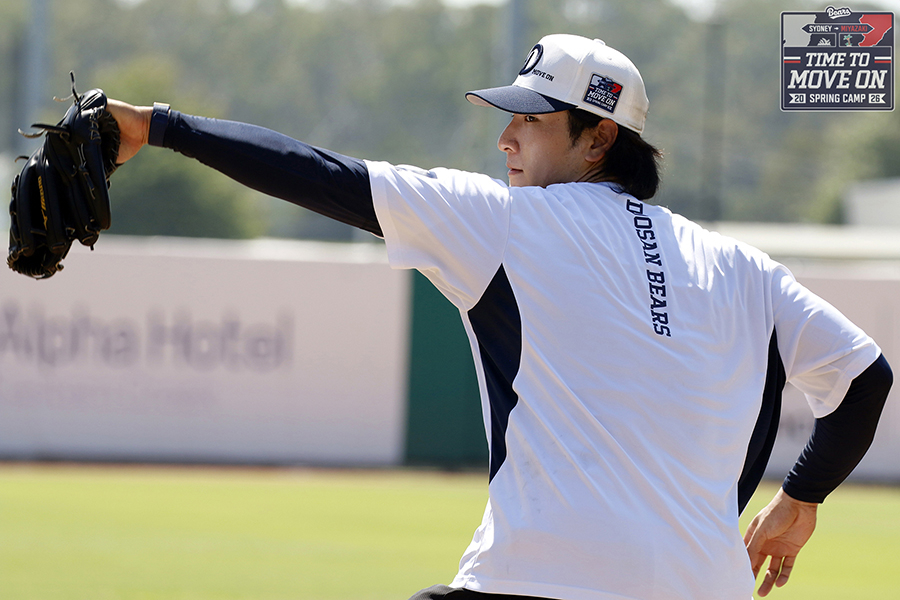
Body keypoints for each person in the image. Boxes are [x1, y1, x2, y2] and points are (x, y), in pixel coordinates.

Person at [106, 34, 891, 600]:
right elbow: (866, 377)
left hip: (536, 582)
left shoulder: (508, 222)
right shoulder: (743, 268)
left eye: (532, 119)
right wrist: (800, 501)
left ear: (599, 137)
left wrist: (158, 127)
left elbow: (324, 176)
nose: (506, 137)